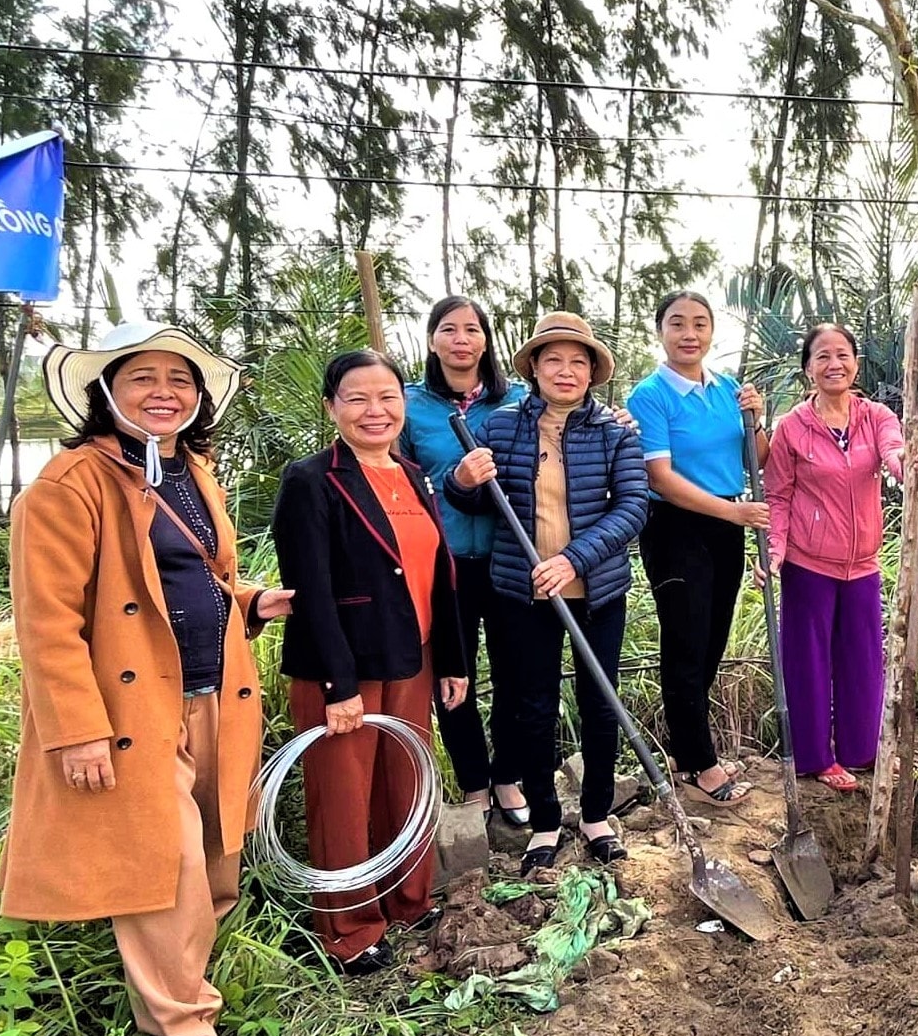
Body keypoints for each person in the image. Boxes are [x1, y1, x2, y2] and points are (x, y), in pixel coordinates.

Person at [4, 323, 291, 1036]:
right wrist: (77, 729)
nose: (164, 392)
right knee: (166, 867)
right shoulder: (68, 486)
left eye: (181, 380)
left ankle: (182, 982)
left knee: (220, 853)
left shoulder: (195, 475)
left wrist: (251, 602)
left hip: (213, 696)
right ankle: (183, 1030)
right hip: (133, 714)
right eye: (143, 378)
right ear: (105, 392)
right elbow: (47, 621)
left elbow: (197, 581)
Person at [273, 350, 470, 977]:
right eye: (357, 398)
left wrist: (452, 660)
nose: (374, 410)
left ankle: (407, 902)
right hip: (345, 669)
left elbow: (440, 574)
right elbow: (310, 587)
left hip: (411, 657)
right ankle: (348, 927)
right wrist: (339, 683)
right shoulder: (312, 480)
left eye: (387, 396)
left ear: (403, 403)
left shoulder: (414, 475)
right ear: (332, 407)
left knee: (404, 784)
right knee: (344, 796)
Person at [449, 313, 649, 874]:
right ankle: (543, 820)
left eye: (578, 361)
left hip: (598, 590)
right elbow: (477, 502)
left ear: (593, 373)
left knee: (599, 701)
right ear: (534, 366)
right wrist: (460, 482)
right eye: (554, 359)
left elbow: (634, 507)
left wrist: (572, 560)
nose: (566, 371)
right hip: (522, 591)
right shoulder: (501, 426)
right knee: (530, 705)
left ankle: (595, 815)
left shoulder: (615, 432)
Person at [625, 290, 768, 808]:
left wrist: (757, 418)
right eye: (678, 323)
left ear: (712, 332)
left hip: (726, 523)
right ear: (660, 331)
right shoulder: (649, 396)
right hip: (676, 526)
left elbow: (757, 456)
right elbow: (658, 477)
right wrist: (733, 512)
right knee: (686, 641)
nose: (690, 333)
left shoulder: (728, 389)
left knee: (712, 640)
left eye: (700, 323)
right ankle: (700, 762)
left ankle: (689, 753)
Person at [399, 294, 533, 827]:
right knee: (451, 678)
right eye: (449, 329)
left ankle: (508, 776)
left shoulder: (520, 400)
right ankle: (475, 782)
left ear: (486, 339)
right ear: (432, 339)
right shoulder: (408, 405)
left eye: (472, 329)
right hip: (442, 561)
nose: (461, 340)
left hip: (509, 557)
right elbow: (398, 479)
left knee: (516, 673)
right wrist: (453, 481)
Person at [758, 322, 904, 792]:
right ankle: (815, 757)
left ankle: (862, 751)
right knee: (808, 661)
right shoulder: (792, 428)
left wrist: (903, 464)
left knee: (863, 659)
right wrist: (775, 553)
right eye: (822, 357)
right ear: (807, 370)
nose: (833, 364)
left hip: (862, 564)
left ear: (856, 363)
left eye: (842, 355)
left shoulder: (875, 416)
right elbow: (777, 495)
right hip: (808, 564)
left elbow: (893, 449)